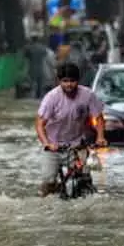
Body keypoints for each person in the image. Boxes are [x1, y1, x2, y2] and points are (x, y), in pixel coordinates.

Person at [35, 62, 107, 196]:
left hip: (77, 145)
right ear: (59, 81)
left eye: (72, 81)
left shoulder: (88, 95)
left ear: (78, 81)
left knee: (84, 179)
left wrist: (100, 137)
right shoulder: (51, 98)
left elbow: (99, 118)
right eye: (65, 81)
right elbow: (39, 124)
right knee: (48, 181)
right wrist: (47, 144)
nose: (69, 85)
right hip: (53, 147)